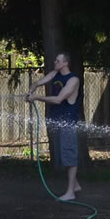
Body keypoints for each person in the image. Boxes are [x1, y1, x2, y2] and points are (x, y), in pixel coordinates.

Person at [26, 52, 83, 201]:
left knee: (69, 156)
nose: (55, 63)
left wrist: (37, 97)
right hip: (56, 120)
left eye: (58, 61)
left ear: (65, 63)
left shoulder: (73, 80)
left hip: (67, 122)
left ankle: (70, 193)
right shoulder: (55, 73)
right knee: (63, 156)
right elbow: (39, 82)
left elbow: (58, 100)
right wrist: (32, 89)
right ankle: (75, 185)